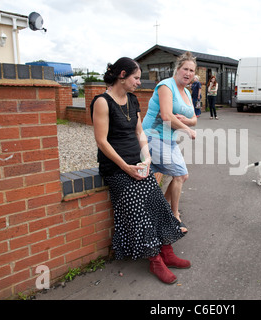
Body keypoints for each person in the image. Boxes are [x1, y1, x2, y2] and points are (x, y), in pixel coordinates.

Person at [91, 57, 190, 285]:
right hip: (116, 168)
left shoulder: (133, 101)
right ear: (122, 75)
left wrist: (146, 158)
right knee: (138, 205)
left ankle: (167, 251)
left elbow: (139, 133)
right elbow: (101, 141)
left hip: (137, 163)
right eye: (136, 78)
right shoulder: (102, 102)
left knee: (156, 200)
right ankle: (155, 260)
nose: (138, 82)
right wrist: (125, 167)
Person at [142, 52, 197, 234]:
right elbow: (166, 116)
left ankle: (162, 209)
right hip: (152, 136)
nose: (188, 73)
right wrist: (187, 129)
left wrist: (186, 122)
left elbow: (194, 118)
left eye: (191, 70)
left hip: (169, 139)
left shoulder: (187, 92)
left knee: (182, 175)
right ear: (178, 69)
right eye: (185, 69)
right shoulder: (166, 86)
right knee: (180, 175)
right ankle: (173, 216)